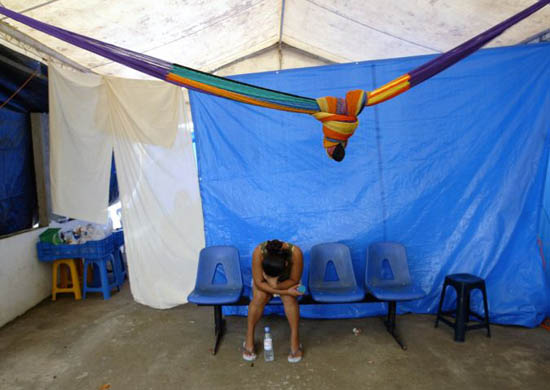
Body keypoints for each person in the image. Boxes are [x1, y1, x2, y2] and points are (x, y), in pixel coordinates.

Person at [243, 239, 304, 363]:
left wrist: (277, 287)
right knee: (259, 297)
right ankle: (249, 339)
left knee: (290, 298)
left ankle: (295, 342)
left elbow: (294, 281)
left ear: (286, 264)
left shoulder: (296, 253)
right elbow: (259, 283)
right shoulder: (258, 252)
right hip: (263, 282)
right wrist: (275, 286)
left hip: (289, 282)